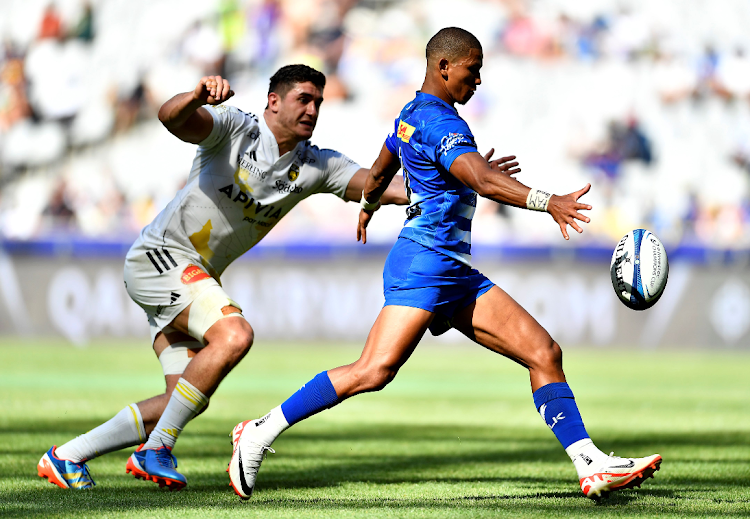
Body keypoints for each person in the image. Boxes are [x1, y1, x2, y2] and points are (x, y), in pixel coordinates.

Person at [227, 28, 662, 501]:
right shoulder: (441, 122)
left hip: (451, 268)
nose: (476, 81)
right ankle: (259, 431)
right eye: (471, 71)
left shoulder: (410, 115)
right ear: (444, 67)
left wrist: (370, 206)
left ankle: (590, 463)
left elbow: (380, 171)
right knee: (373, 370)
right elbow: (477, 178)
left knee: (543, 352)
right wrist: (547, 200)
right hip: (426, 262)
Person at [36, 64, 417, 491]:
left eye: (318, 102)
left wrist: (453, 183)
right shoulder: (235, 128)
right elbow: (171, 117)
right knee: (234, 335)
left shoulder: (316, 165)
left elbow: (378, 185)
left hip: (189, 276)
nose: (312, 109)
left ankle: (66, 456)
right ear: (273, 101)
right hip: (161, 258)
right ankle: (156, 449)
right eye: (303, 99)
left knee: (181, 397)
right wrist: (196, 97)